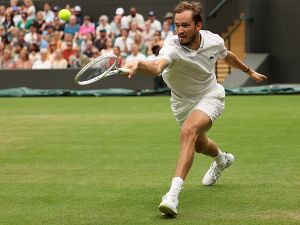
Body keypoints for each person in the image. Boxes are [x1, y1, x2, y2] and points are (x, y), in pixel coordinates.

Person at [122, 1, 267, 216]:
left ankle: (172, 196)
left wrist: (249, 71)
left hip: (210, 95)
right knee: (199, 145)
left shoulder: (213, 41)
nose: (180, 30)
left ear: (198, 26)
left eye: (185, 25)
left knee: (188, 131)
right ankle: (222, 160)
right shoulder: (171, 47)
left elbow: (226, 55)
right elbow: (155, 67)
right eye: (177, 25)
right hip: (181, 103)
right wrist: (137, 63)